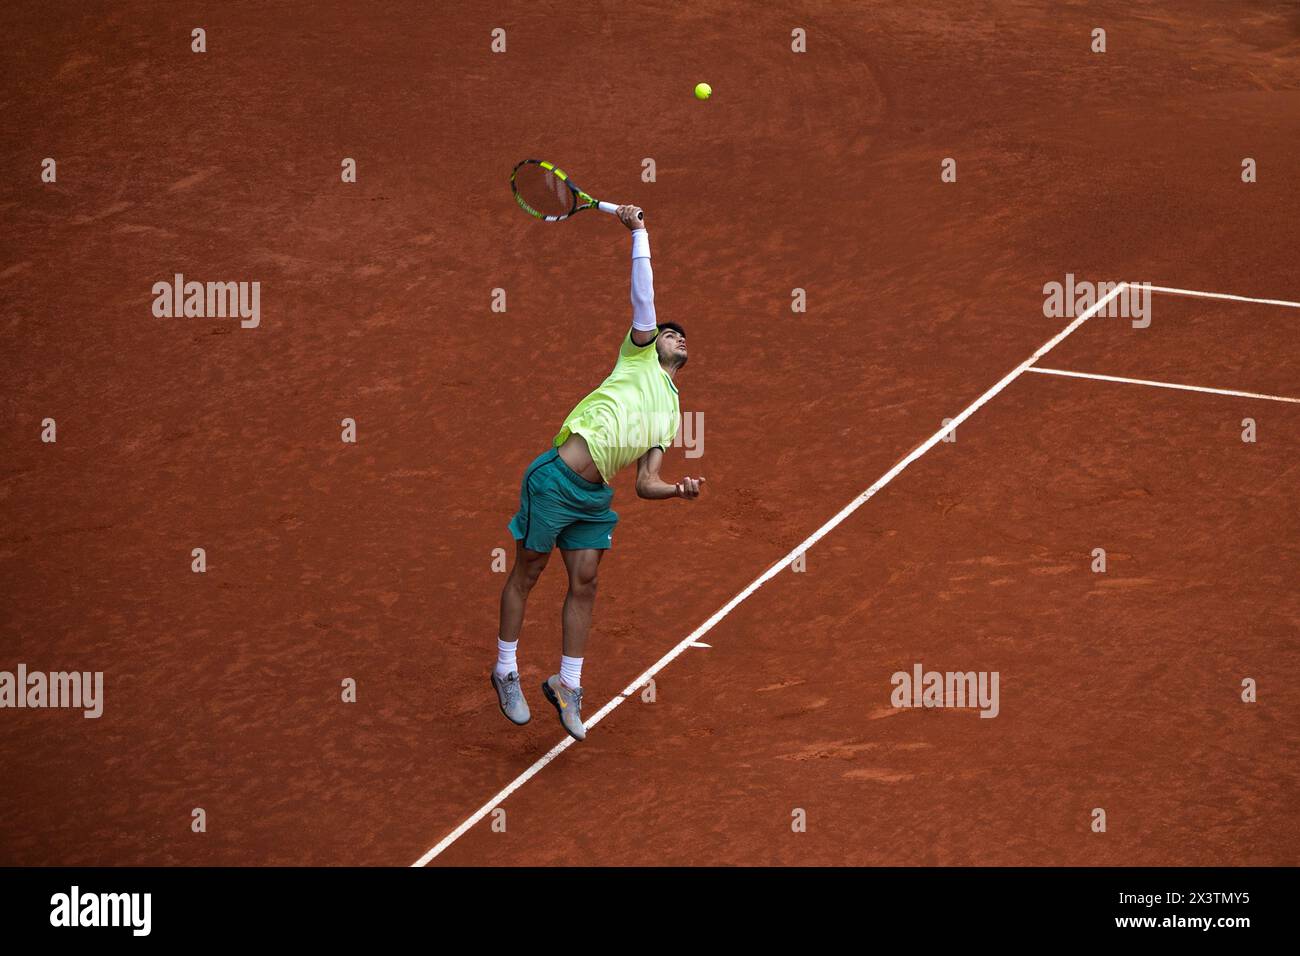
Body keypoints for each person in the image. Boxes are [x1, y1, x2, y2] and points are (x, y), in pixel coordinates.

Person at [491, 204, 704, 741]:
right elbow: (644, 294)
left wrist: (678, 491)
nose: (676, 335)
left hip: (593, 498)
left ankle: (568, 685)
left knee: (585, 584)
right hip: (555, 480)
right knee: (529, 573)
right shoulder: (635, 359)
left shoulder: (672, 412)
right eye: (668, 332)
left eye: (682, 337)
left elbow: (644, 483)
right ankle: (505, 668)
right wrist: (640, 233)